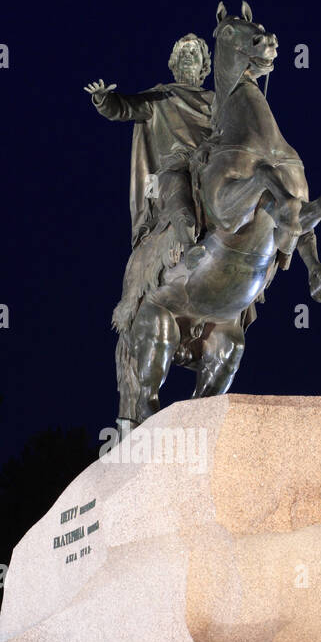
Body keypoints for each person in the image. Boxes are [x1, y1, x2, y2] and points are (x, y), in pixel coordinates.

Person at [84, 34, 213, 426]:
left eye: (196, 54)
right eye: (183, 54)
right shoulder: (161, 98)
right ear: (174, 65)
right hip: (173, 176)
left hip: (210, 178)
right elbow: (126, 107)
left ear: (205, 65)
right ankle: (185, 241)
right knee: (176, 188)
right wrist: (106, 100)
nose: (190, 58)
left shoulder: (216, 103)